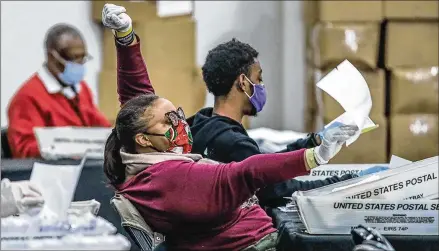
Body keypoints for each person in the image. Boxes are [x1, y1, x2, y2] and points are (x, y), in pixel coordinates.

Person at [101, 4, 359, 250]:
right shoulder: (170, 178)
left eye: (177, 114)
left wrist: (125, 39)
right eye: (170, 120)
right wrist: (317, 158)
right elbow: (248, 172)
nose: (180, 124)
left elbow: (138, 100)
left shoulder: (150, 153)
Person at [7, 23, 111, 159]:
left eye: (82, 59)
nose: (79, 66)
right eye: (74, 59)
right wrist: (67, 148)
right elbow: (23, 149)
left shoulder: (80, 88)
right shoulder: (27, 97)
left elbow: (99, 126)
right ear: (52, 57)